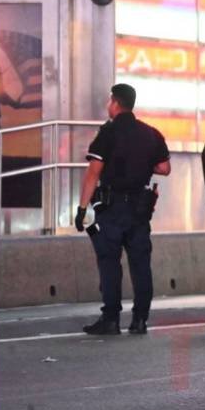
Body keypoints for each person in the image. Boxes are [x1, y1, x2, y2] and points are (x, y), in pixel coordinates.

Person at [76, 84, 170, 335]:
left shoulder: (108, 133)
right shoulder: (151, 134)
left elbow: (93, 173)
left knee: (109, 261)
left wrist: (82, 208)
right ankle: (140, 320)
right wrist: (140, 166)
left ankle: (111, 320)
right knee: (140, 263)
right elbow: (164, 168)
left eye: (110, 102)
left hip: (113, 207)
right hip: (140, 208)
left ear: (116, 103)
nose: (109, 106)